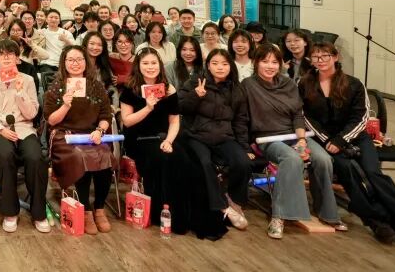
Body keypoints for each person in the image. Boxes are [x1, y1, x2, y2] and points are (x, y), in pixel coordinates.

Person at [301, 42, 395, 246]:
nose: (320, 60)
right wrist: (328, 140)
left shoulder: (353, 83)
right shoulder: (305, 84)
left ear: (335, 57)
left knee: (373, 173)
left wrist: (341, 139)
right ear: (311, 60)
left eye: (325, 55)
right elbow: (305, 117)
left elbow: (361, 117)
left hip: (355, 137)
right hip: (326, 140)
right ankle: (376, 221)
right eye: (316, 57)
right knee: (349, 174)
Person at [234, 43, 342, 239]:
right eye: (265, 61)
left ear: (281, 64)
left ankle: (327, 213)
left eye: (274, 62)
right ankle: (279, 216)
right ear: (256, 63)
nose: (270, 66)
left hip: (294, 135)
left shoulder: (289, 84)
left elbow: (297, 115)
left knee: (323, 159)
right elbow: (240, 119)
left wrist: (301, 140)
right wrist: (244, 146)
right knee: (292, 159)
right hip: (266, 138)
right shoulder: (247, 85)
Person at [0, 40, 48, 233]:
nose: (6, 57)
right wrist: (0, 129)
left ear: (17, 58)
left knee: (35, 157)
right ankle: (10, 211)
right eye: (2, 54)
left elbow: (32, 113)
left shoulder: (28, 80)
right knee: (4, 155)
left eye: (11, 54)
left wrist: (19, 91)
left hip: (24, 128)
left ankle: (39, 212)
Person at [178, 49, 250, 238]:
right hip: (196, 135)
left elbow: (240, 120)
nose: (220, 67)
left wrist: (244, 146)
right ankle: (222, 207)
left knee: (243, 162)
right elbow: (180, 107)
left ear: (230, 66)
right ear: (208, 66)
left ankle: (234, 201)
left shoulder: (236, 89)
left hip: (224, 137)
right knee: (204, 163)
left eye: (225, 64)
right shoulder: (195, 82)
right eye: (215, 63)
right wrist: (196, 95)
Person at [43, 45, 113, 235]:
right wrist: (65, 105)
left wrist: (100, 130)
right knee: (80, 156)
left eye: (79, 59)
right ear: (64, 63)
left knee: (105, 155)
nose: (75, 63)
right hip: (64, 135)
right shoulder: (56, 87)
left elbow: (106, 115)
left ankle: (99, 208)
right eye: (70, 60)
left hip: (91, 134)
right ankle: (86, 210)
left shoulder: (96, 86)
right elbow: (51, 120)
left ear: (86, 62)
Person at [119, 49, 190, 234]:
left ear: (160, 65)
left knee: (183, 159)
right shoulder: (130, 88)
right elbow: (127, 121)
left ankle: (181, 216)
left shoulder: (169, 89)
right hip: (139, 139)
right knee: (161, 159)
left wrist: (169, 141)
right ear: (138, 66)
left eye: (153, 63)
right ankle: (161, 212)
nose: (150, 67)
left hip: (163, 137)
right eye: (145, 63)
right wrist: (148, 108)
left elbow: (174, 121)